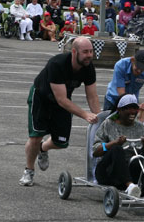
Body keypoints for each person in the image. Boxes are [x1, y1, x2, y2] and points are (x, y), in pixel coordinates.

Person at [20, 36, 101, 186]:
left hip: (62, 102)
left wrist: (99, 118)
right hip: (42, 99)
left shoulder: (88, 67)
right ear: (74, 52)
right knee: (35, 137)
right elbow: (61, 99)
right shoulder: (57, 64)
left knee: (61, 142)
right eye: (85, 52)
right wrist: (85, 115)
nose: (89, 55)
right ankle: (28, 171)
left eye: (91, 51)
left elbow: (92, 96)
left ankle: (43, 149)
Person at [92, 94, 144, 199]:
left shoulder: (140, 127)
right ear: (119, 110)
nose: (132, 112)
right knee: (117, 149)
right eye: (128, 108)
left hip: (132, 170)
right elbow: (96, 151)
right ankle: (129, 186)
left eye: (135, 108)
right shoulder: (108, 124)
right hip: (109, 172)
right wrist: (114, 143)